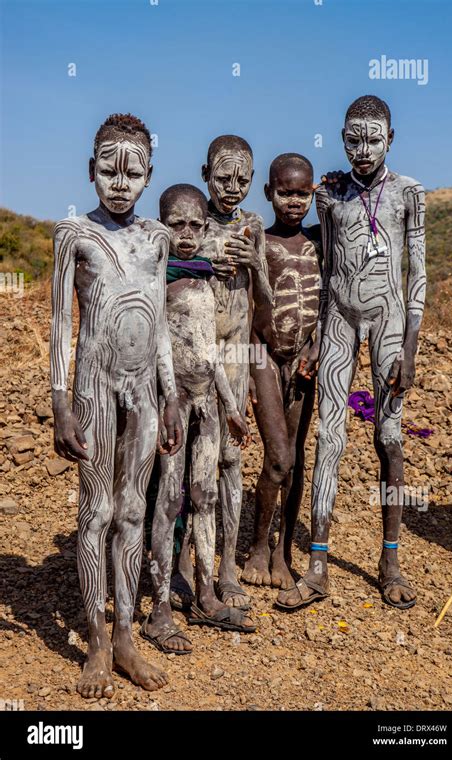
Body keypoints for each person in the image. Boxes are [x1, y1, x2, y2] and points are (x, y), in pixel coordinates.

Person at [50, 113, 182, 698]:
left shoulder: (158, 239)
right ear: (91, 171)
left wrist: (172, 397)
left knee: (133, 511)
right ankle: (97, 642)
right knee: (96, 511)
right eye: (109, 171)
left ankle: (126, 634)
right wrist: (60, 402)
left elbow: (159, 331)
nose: (120, 183)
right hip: (94, 389)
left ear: (150, 175)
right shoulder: (73, 236)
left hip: (147, 393)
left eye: (133, 172)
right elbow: (59, 325)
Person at [277, 96, 426, 611]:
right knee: (330, 437)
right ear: (341, 137)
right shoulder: (331, 194)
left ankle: (390, 560)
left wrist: (410, 345)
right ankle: (317, 565)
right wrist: (317, 336)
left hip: (388, 322)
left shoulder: (409, 193)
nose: (362, 150)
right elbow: (324, 268)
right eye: (352, 139)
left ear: (391, 138)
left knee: (388, 436)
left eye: (373, 139)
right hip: (339, 318)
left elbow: (418, 275)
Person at [141, 184, 255, 655]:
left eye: (195, 225)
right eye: (176, 224)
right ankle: (160, 607)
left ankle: (205, 592)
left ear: (205, 227)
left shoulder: (206, 282)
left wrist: (229, 405)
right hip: (173, 403)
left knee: (205, 495)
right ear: (161, 224)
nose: (186, 234)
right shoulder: (156, 280)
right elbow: (159, 351)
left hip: (208, 402)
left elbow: (209, 353)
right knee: (169, 499)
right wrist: (170, 399)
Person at [170, 135, 272, 610]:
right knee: (191, 465)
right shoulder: (191, 220)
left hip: (235, 358)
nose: (233, 186)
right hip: (194, 359)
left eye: (243, 179)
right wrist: (206, 264)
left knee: (230, 462)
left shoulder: (252, 225)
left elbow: (265, 302)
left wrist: (257, 264)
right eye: (223, 176)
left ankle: (227, 567)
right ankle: (184, 565)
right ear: (206, 172)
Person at [241, 153, 321, 591]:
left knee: (296, 457)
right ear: (269, 192)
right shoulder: (260, 243)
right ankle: (256, 545)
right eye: (285, 192)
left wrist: (317, 344)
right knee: (278, 458)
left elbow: (330, 302)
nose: (294, 201)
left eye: (302, 193)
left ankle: (283, 548)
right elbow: (247, 309)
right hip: (264, 357)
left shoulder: (318, 244)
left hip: (304, 363)